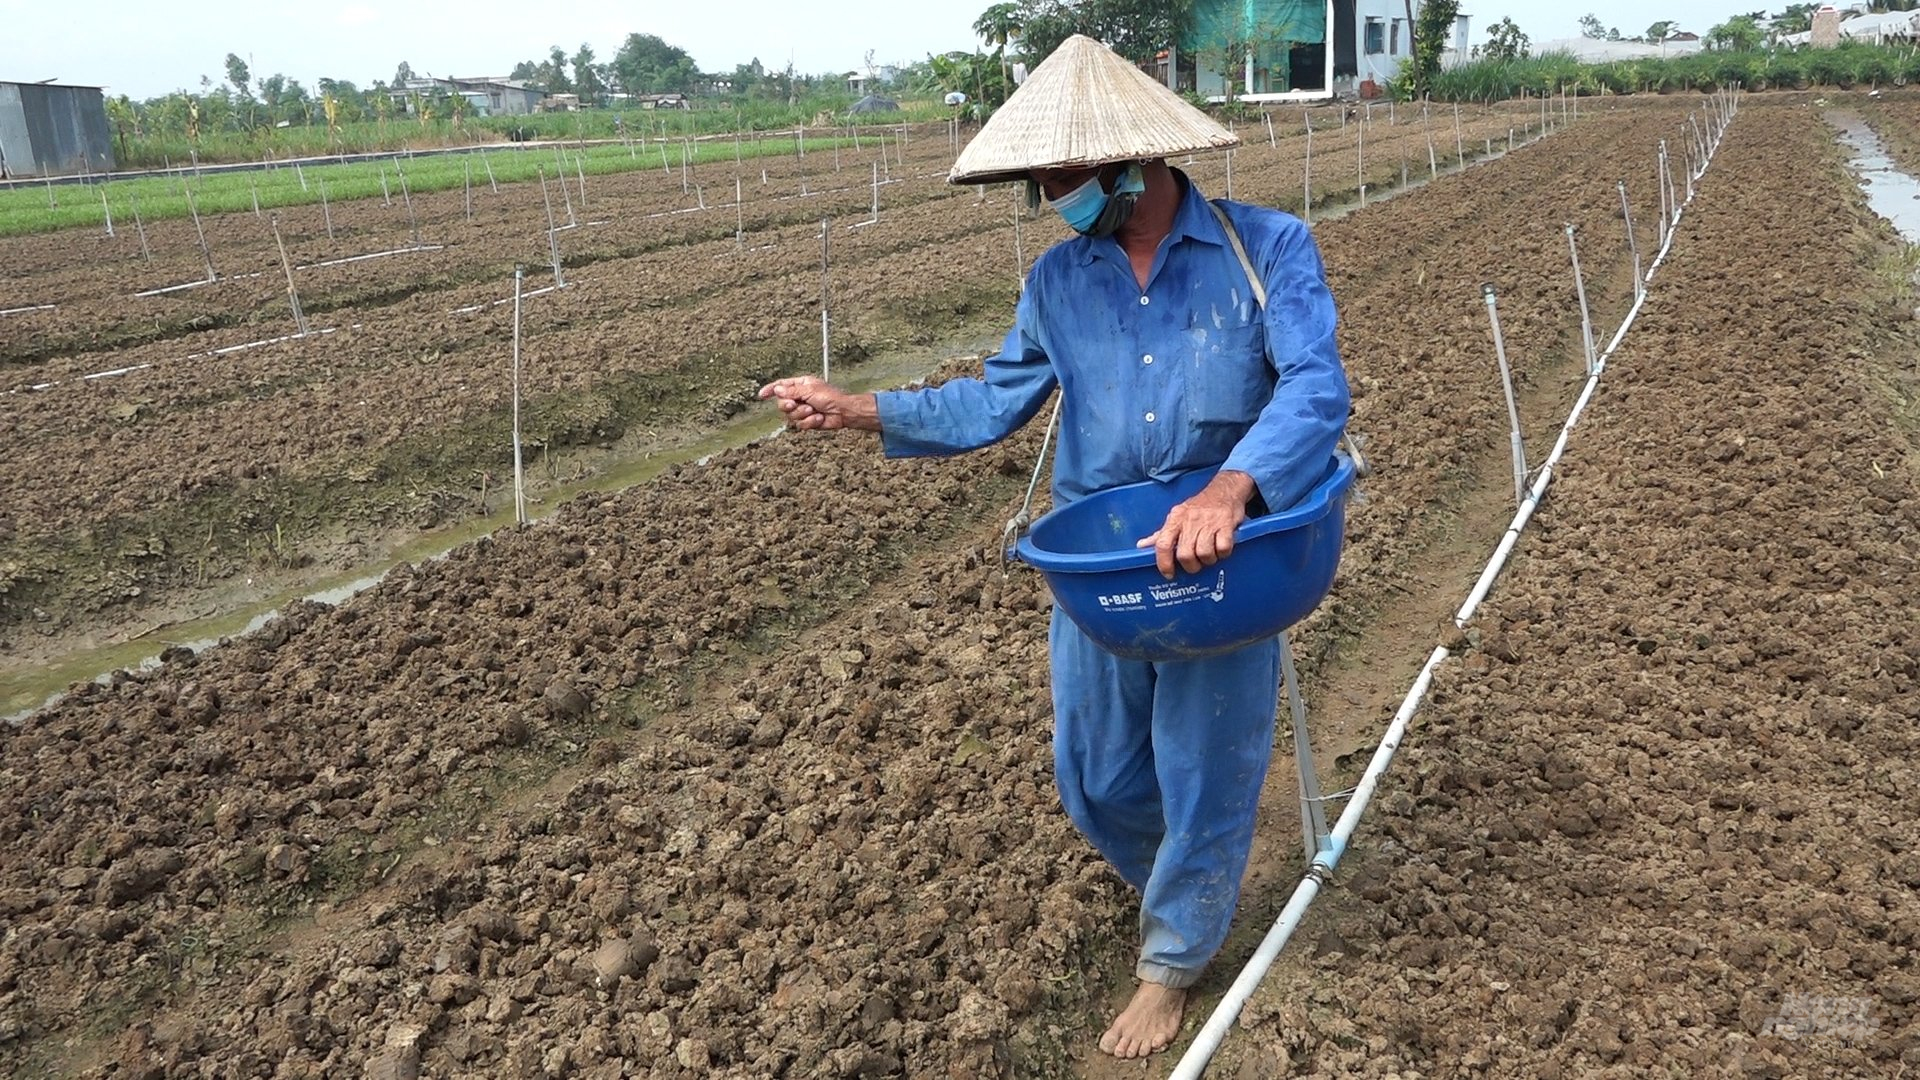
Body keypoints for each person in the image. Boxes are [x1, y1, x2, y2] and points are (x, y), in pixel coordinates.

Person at [758, 35, 1349, 1060]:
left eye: (1065, 176)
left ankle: (1173, 959)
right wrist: (855, 409)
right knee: (1098, 776)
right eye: (1041, 179)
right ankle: (1193, 875)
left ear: (1135, 162)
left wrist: (1228, 487)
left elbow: (1313, 386)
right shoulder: (1058, 282)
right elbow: (994, 400)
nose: (1051, 195)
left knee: (1204, 763)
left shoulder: (1268, 249)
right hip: (1107, 563)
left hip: (1225, 557)